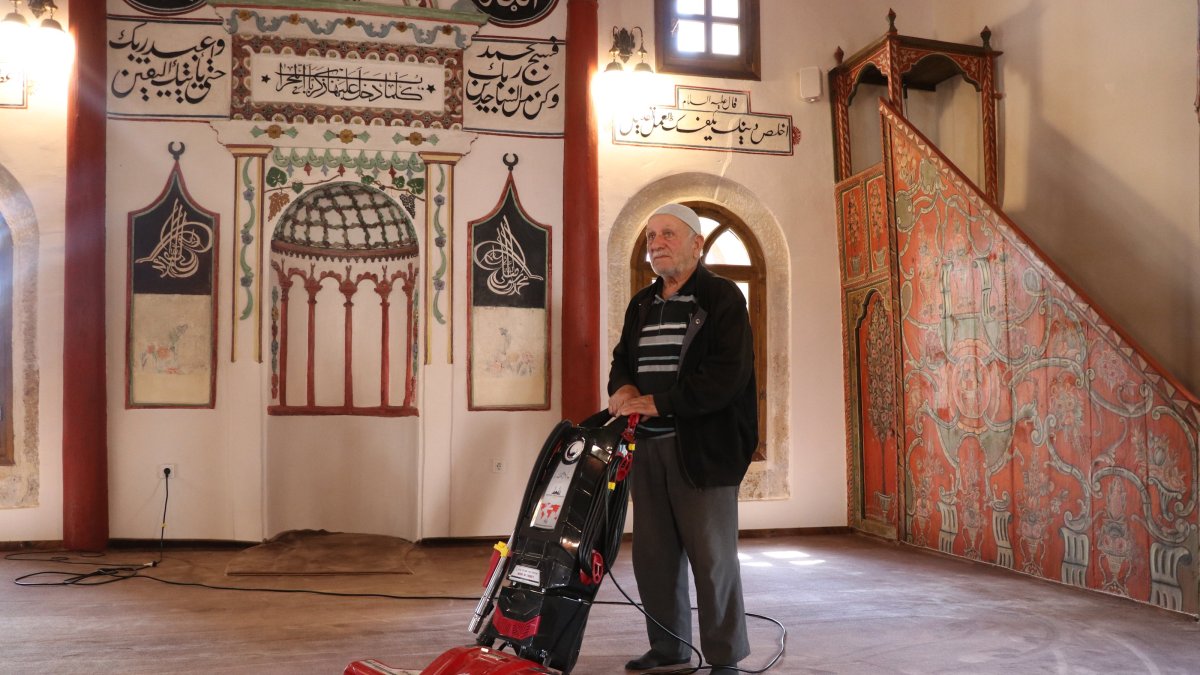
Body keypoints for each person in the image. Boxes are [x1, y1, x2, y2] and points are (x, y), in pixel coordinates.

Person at [608, 202, 758, 674]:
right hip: (646, 447)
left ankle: (725, 658)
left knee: (713, 562)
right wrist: (624, 388)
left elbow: (726, 376)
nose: (656, 244)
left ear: (697, 242)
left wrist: (660, 402)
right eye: (651, 237)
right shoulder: (642, 303)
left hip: (703, 451)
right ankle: (669, 649)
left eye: (668, 234)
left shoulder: (722, 298)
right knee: (655, 560)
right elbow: (621, 360)